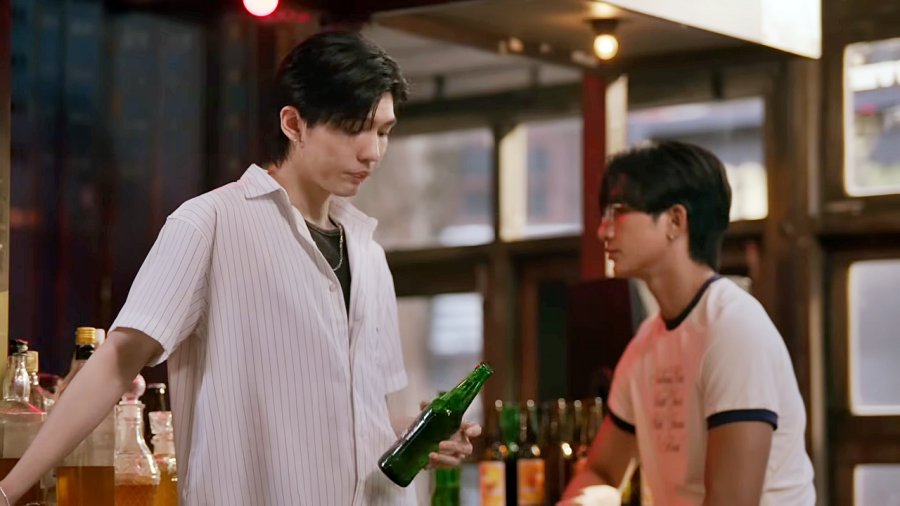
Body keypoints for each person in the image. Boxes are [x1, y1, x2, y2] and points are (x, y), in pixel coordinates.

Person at [0, 31, 479, 506]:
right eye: (354, 128)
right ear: (294, 124)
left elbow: (365, 418)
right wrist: (7, 490)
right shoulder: (209, 224)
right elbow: (115, 363)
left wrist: (419, 437)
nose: (372, 152)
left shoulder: (370, 256)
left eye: (383, 132)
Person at [561, 141, 815, 505]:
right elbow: (601, 472)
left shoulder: (733, 329)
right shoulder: (647, 341)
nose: (603, 231)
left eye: (618, 212)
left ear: (675, 221)